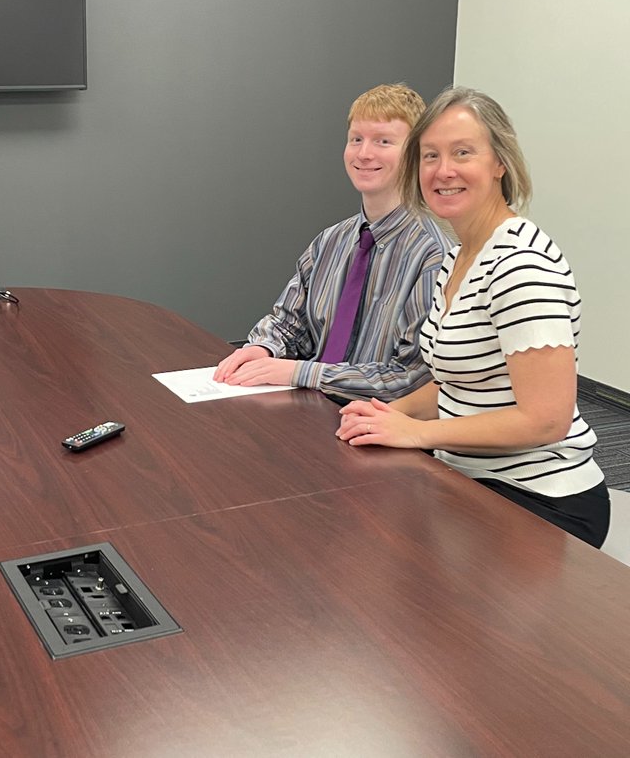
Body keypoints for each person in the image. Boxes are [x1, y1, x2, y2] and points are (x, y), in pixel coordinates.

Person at [336, 87, 608, 547]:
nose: (443, 171)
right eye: (430, 156)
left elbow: (547, 420)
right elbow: (456, 381)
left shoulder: (521, 264)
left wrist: (417, 433)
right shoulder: (461, 254)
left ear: (500, 162)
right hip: (466, 474)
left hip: (540, 499)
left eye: (463, 153)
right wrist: (388, 414)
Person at [214, 83, 449, 401]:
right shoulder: (329, 242)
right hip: (307, 413)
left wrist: (301, 372)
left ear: (417, 153)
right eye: (356, 139)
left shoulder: (433, 256)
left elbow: (410, 378)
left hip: (374, 431)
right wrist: (261, 346)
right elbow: (288, 322)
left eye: (383, 141)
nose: (364, 153)